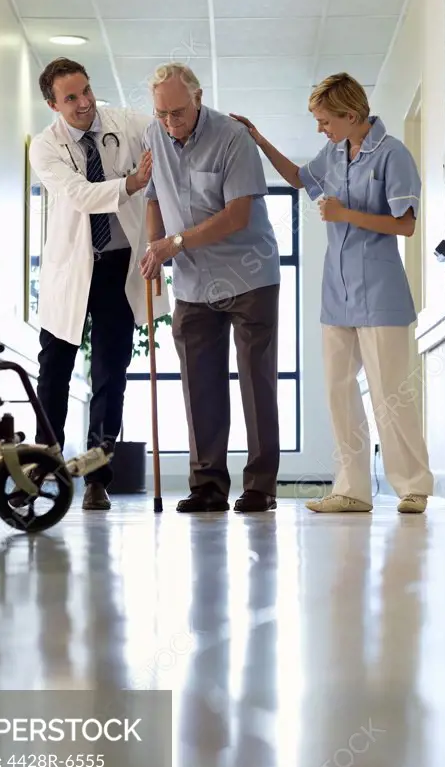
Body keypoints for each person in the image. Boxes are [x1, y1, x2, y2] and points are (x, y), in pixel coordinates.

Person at [232, 72, 434, 515]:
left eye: (325, 121)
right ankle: (352, 489)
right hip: (337, 294)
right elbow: (300, 178)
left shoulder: (392, 154)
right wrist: (258, 139)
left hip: (380, 293)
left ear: (351, 114)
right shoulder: (335, 152)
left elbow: (406, 224)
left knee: (388, 393)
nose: (320, 129)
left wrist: (346, 213)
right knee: (339, 394)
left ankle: (413, 486)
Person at [139, 63, 280, 514]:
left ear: (198, 98)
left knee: (257, 383)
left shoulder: (233, 138)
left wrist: (175, 243)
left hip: (249, 275)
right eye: (162, 114)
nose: (170, 123)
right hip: (192, 281)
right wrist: (155, 252)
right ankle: (207, 485)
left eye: (178, 112)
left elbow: (238, 214)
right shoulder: (153, 135)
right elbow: (155, 198)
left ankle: (260, 486)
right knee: (199, 384)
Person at [30, 57, 170, 511]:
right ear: (53, 104)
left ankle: (97, 476)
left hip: (118, 267)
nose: (84, 103)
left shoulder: (124, 123)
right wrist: (131, 182)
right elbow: (78, 195)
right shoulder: (45, 148)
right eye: (71, 98)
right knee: (54, 373)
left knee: (112, 375)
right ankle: (42, 467)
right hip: (71, 270)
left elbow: (168, 123)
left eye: (86, 91)